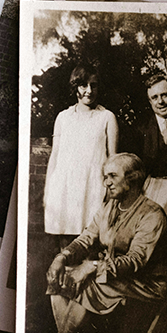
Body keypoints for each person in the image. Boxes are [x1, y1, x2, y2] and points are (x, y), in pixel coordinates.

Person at [43, 153, 167, 333]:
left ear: (133, 179)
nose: (107, 183)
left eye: (112, 176)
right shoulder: (109, 207)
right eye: (105, 177)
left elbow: (135, 260)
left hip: (145, 282)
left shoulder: (152, 214)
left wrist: (91, 267)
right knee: (59, 277)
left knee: (89, 283)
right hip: (112, 273)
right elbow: (86, 238)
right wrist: (62, 258)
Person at [45, 65, 119, 242]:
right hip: (65, 189)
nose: (89, 91)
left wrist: (111, 189)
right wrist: (48, 190)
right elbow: (55, 155)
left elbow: (113, 159)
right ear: (75, 86)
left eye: (93, 85)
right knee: (65, 247)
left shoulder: (107, 117)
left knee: (91, 244)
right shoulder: (63, 117)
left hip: (94, 189)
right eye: (83, 85)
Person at [132, 75, 167, 221]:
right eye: (155, 97)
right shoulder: (140, 128)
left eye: (164, 95)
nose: (160, 102)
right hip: (151, 190)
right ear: (150, 101)